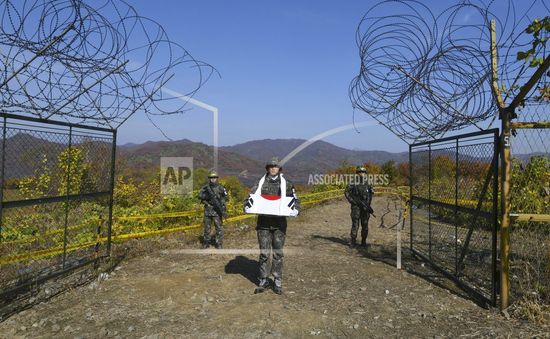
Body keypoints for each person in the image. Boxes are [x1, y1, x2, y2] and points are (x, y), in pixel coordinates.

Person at [248, 157, 299, 295]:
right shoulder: (260, 184)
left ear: (279, 169)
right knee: (264, 253)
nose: (273, 168)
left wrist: (295, 209)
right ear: (267, 168)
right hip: (263, 224)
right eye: (271, 166)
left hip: (279, 225)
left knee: (278, 252)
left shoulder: (287, 184)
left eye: (276, 166)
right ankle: (263, 280)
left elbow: (294, 199)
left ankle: (277, 279)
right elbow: (250, 197)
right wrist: (247, 206)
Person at [344, 166, 374, 248]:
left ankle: (363, 242)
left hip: (365, 207)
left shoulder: (368, 182)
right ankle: (353, 241)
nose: (362, 173)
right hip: (356, 207)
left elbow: (371, 194)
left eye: (363, 172)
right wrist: (353, 202)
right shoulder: (353, 182)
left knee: (365, 224)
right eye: (360, 172)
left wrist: (368, 205)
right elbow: (346, 192)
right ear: (357, 173)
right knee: (355, 224)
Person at [198, 171, 228, 249]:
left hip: (217, 212)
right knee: (207, 228)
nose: (213, 179)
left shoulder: (221, 188)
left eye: (214, 178)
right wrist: (207, 197)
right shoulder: (205, 188)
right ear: (209, 179)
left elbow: (225, 197)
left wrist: (222, 205)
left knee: (218, 228)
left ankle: (218, 243)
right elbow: (200, 196)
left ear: (217, 178)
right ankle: (206, 243)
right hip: (208, 210)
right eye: (211, 178)